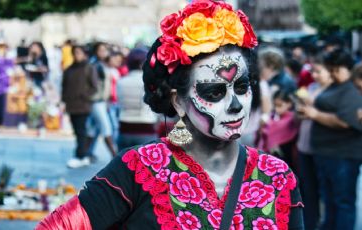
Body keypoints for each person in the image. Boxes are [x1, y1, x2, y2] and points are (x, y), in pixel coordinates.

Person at [37, 1, 303, 229]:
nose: (235, 104)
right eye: (214, 92)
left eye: (242, 87)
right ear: (178, 101)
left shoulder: (277, 176)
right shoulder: (140, 168)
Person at [298, 48, 362, 230]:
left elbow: (345, 121)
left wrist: (315, 114)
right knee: (330, 200)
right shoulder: (336, 86)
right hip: (325, 153)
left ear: (346, 68)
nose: (333, 73)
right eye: (331, 69)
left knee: (342, 201)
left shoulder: (350, 89)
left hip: (342, 155)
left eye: (336, 69)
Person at [295, 54, 332, 230]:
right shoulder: (311, 87)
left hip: (323, 149)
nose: (315, 75)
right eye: (314, 71)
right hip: (304, 146)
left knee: (325, 192)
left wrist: (313, 111)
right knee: (307, 190)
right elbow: (300, 115)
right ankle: (310, 223)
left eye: (319, 71)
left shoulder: (334, 92)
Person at [62, 46, 98, 168]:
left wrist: (84, 96)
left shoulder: (89, 68)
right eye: (75, 53)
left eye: (78, 52)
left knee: (81, 131)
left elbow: (94, 87)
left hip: (83, 105)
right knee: (77, 131)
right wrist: (64, 101)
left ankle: (80, 155)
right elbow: (64, 87)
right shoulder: (69, 69)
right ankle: (83, 154)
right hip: (71, 105)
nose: (76, 55)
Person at [116, 48, 158, 150]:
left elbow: (119, 102)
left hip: (124, 128)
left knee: (123, 164)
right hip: (146, 128)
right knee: (147, 165)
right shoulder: (150, 82)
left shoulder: (121, 82)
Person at [86, 42, 117, 158]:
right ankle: (114, 156)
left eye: (105, 50)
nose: (103, 52)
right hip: (96, 101)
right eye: (101, 50)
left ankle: (84, 154)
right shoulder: (95, 65)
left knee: (92, 129)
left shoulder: (102, 64)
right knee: (106, 128)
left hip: (102, 101)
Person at [256, 90, 299, 168]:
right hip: (272, 154)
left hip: (286, 152)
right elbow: (263, 133)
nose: (276, 109)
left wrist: (267, 125)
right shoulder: (272, 116)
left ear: (289, 104)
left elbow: (274, 128)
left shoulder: (291, 118)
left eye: (280, 105)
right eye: (275, 105)